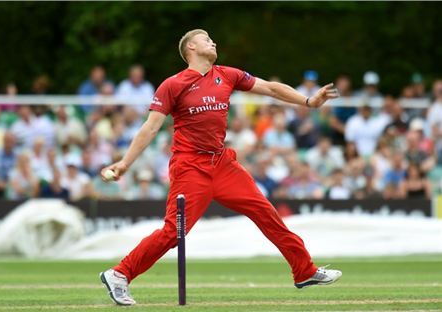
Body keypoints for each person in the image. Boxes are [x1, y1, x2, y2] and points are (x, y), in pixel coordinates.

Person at [99, 29, 342, 306]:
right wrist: (125, 163)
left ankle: (304, 271)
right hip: (190, 166)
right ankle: (119, 274)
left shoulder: (227, 74)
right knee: (172, 233)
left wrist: (309, 102)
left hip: (223, 164)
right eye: (206, 39)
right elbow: (151, 127)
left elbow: (271, 88)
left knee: (266, 213)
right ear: (191, 47)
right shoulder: (173, 84)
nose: (213, 42)